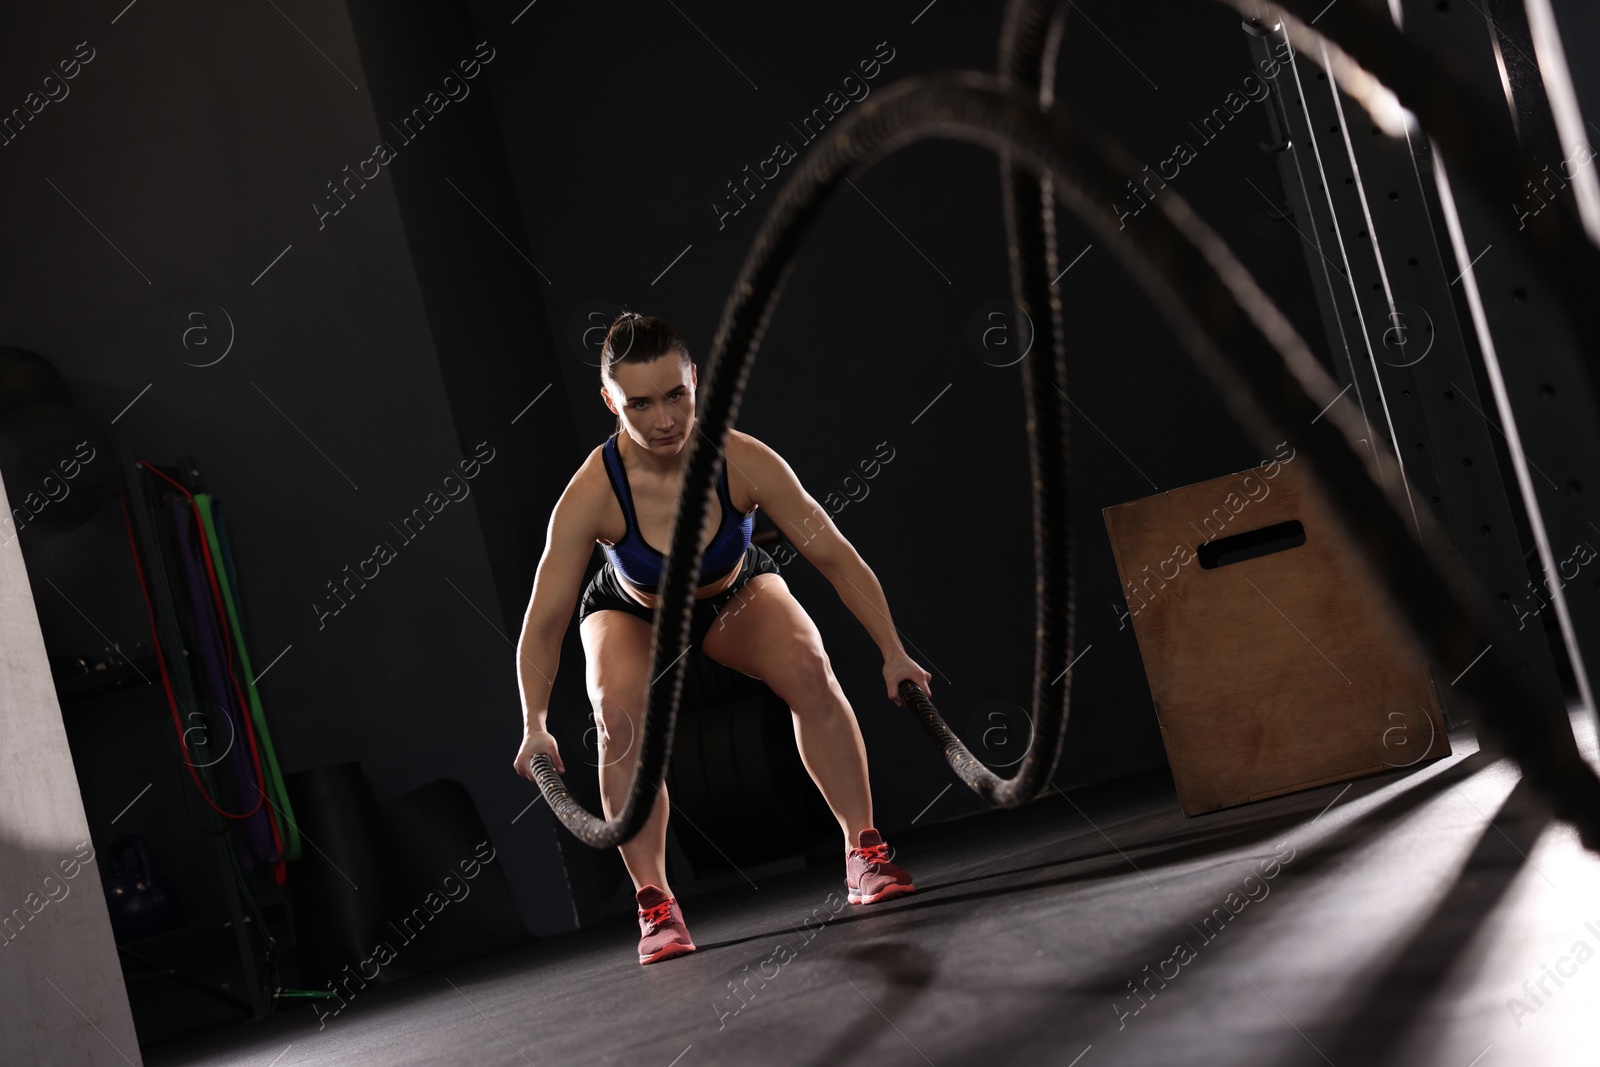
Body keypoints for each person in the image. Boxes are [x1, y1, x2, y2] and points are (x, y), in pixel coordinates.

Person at [513, 311, 932, 965]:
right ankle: (655, 902)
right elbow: (545, 618)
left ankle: (864, 849)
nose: (663, 420)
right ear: (609, 402)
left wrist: (894, 650)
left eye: (675, 394)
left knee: (810, 666)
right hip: (634, 612)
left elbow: (836, 556)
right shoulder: (591, 493)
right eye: (640, 403)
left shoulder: (741, 459)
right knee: (616, 714)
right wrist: (534, 721)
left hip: (730, 597)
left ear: (694, 381)